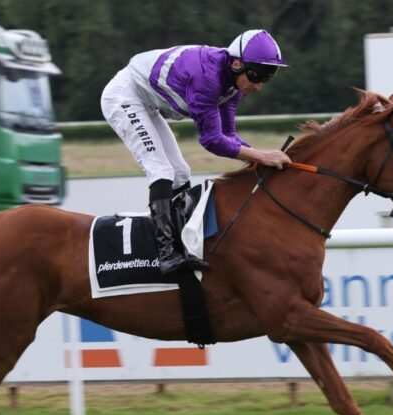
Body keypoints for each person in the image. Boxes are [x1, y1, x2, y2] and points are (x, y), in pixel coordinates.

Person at [101, 29, 293, 275]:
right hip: (124, 95)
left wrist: (261, 156)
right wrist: (262, 156)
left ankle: (182, 246)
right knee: (161, 170)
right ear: (236, 63)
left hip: (146, 101)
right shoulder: (208, 79)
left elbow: (229, 137)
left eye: (268, 77)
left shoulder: (233, 85)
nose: (259, 86)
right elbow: (212, 141)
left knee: (181, 173)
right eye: (257, 75)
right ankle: (166, 253)